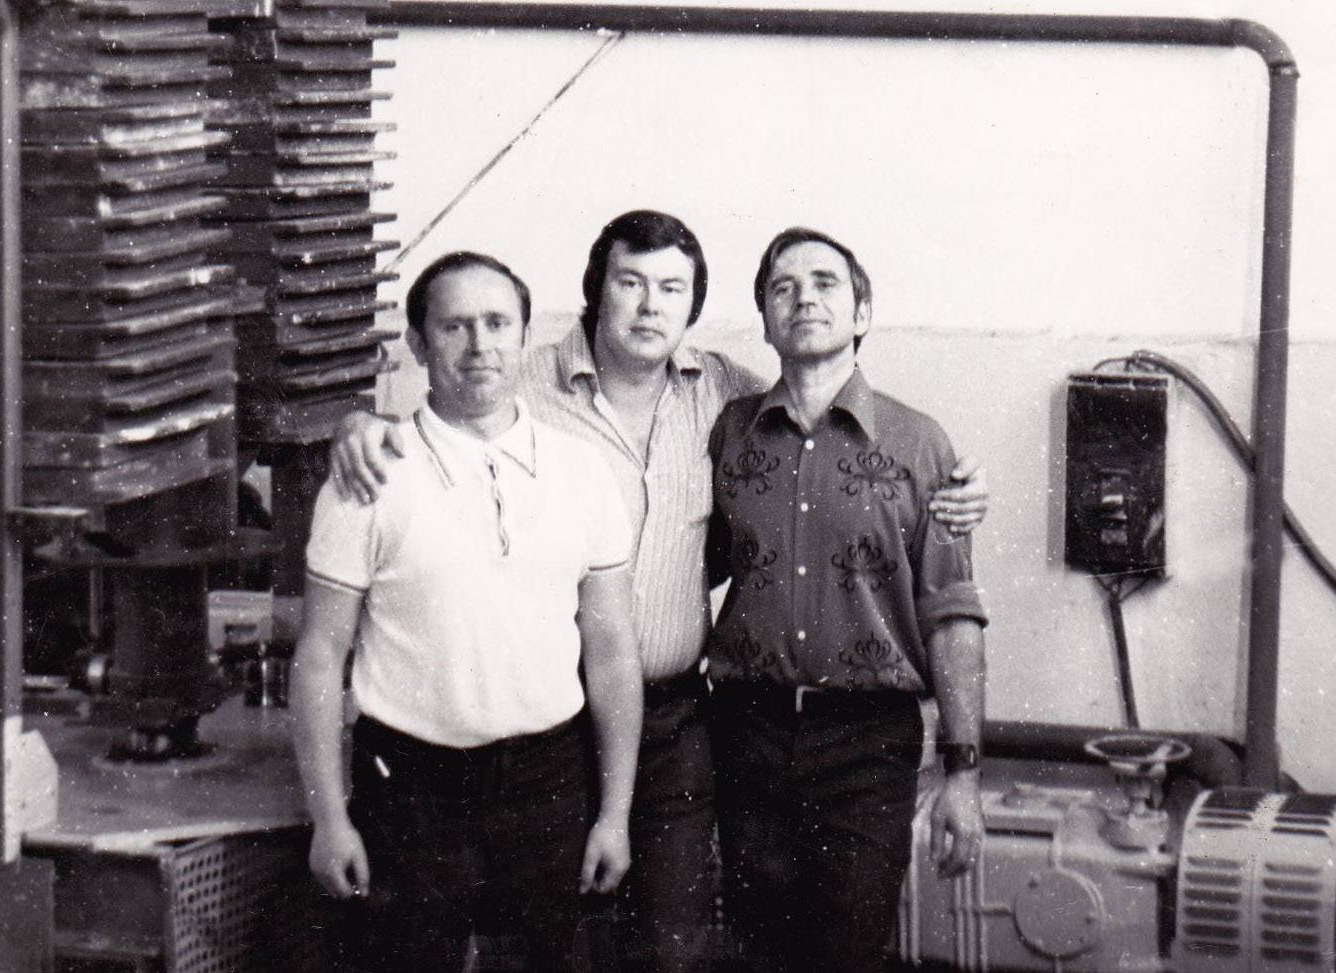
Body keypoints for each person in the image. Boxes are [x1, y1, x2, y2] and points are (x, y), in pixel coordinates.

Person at [329, 211, 989, 973]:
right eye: (631, 283)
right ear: (596, 291)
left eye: (672, 288)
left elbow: (934, 584)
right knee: (553, 942)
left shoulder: (733, 400)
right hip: (558, 724)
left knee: (679, 943)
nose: (650, 306)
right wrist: (360, 423)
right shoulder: (531, 381)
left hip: (685, 722)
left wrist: (958, 487)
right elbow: (438, 412)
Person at [292, 251, 643, 973]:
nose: (480, 345)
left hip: (549, 780)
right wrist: (329, 817)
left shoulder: (582, 472)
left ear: (525, 337)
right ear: (418, 345)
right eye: (454, 327)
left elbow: (611, 652)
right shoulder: (368, 476)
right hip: (410, 785)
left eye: (497, 323)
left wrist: (614, 814)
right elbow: (320, 655)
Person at [705, 227, 988, 973]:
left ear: (862, 313)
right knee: (757, 954)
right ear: (766, 321)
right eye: (784, 287)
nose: (804, 298)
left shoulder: (919, 444)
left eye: (825, 283)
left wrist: (963, 772)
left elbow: (952, 616)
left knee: (846, 952)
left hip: (867, 742)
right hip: (747, 731)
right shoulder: (730, 433)